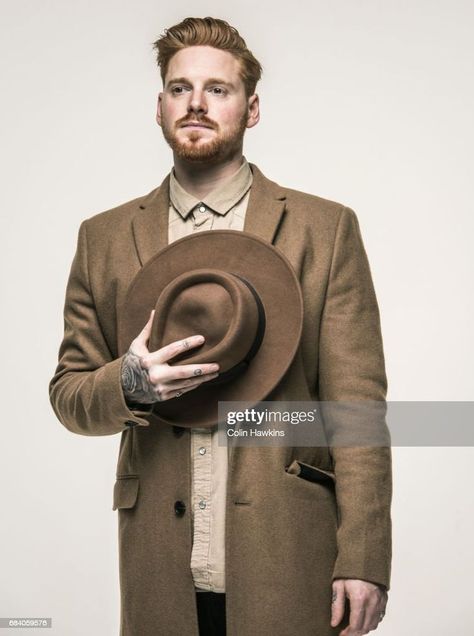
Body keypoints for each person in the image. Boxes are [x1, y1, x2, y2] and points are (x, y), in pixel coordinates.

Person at [49, 16, 391, 636]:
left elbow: (357, 408)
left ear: (252, 108)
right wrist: (127, 383)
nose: (197, 104)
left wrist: (365, 558)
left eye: (218, 89)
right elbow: (69, 396)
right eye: (180, 89)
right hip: (158, 554)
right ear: (159, 106)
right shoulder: (103, 239)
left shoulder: (325, 228)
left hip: (286, 550)